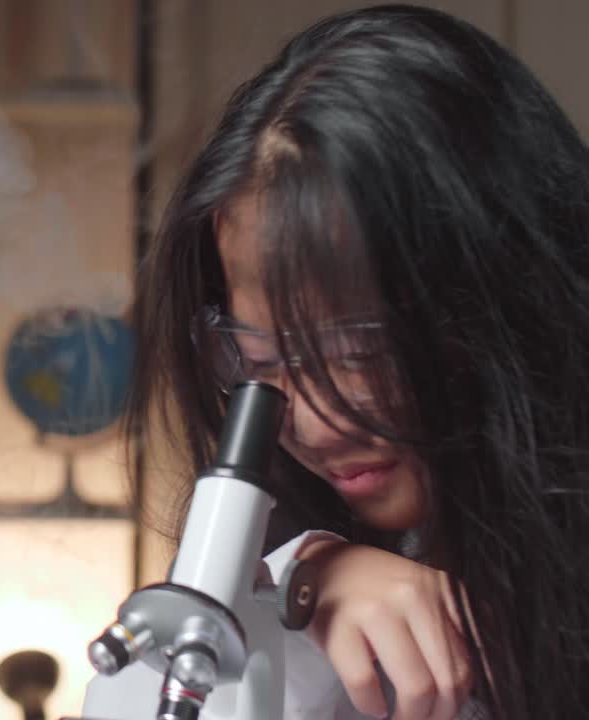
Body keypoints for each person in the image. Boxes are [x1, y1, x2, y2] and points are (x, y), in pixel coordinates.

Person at [84, 4, 589, 719]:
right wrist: (294, 583)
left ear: (504, 302)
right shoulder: (320, 569)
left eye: (359, 351)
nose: (315, 424)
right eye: (257, 354)